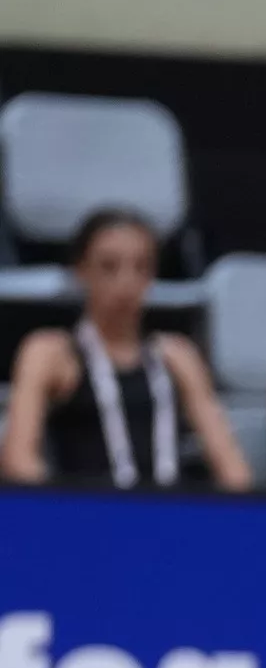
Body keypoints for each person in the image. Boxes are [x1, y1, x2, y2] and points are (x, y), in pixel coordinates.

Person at [0, 209, 250, 492]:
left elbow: (232, 469)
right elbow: (19, 460)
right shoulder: (51, 352)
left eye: (141, 267)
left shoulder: (177, 355)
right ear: (80, 271)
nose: (126, 283)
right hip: (87, 518)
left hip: (168, 517)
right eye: (109, 266)